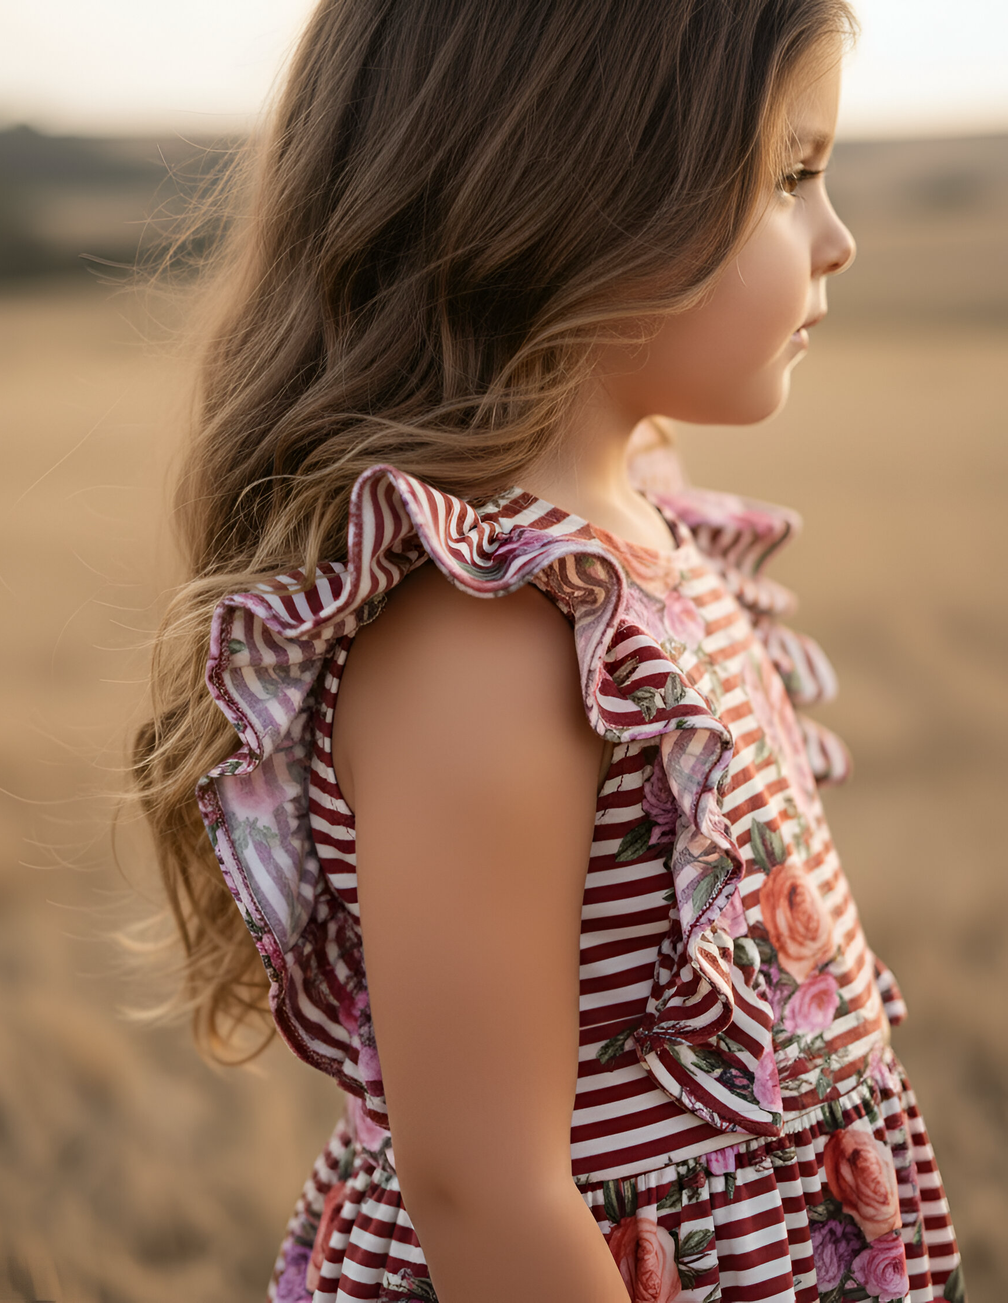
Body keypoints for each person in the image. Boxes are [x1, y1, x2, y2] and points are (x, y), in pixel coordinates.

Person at [134, 1, 966, 1300]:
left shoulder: (641, 534)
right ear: (573, 192)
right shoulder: (494, 637)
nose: (839, 236)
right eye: (791, 176)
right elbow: (484, 1190)